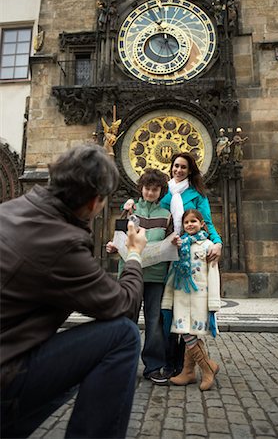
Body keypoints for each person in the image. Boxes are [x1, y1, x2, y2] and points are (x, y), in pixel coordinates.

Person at [0, 144, 147, 439]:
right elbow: (124, 306)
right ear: (95, 203)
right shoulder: (61, 242)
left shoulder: (10, 209)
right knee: (122, 336)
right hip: (5, 373)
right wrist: (134, 254)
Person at [106, 168, 178, 385]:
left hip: (156, 275)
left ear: (160, 192)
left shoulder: (166, 216)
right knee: (127, 320)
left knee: (154, 321)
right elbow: (118, 240)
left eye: (155, 190)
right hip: (130, 274)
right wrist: (111, 247)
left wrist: (174, 243)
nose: (150, 193)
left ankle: (154, 367)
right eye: (147, 189)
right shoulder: (129, 212)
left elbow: (171, 241)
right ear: (141, 189)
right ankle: (122, 365)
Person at [159, 152, 222, 377]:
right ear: (171, 167)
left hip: (187, 256)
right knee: (167, 313)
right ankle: (173, 363)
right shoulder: (164, 191)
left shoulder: (197, 194)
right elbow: (148, 208)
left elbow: (208, 222)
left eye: (183, 167)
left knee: (184, 309)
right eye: (176, 166)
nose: (178, 170)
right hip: (165, 254)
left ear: (190, 170)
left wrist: (218, 242)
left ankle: (187, 367)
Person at [161, 209, 221, 391]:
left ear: (202, 224)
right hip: (180, 296)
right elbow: (172, 273)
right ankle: (190, 371)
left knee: (190, 333)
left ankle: (206, 368)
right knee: (186, 332)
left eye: (193, 221)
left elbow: (213, 274)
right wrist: (167, 299)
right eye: (186, 222)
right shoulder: (180, 245)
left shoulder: (208, 245)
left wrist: (214, 303)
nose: (190, 225)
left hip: (199, 297)